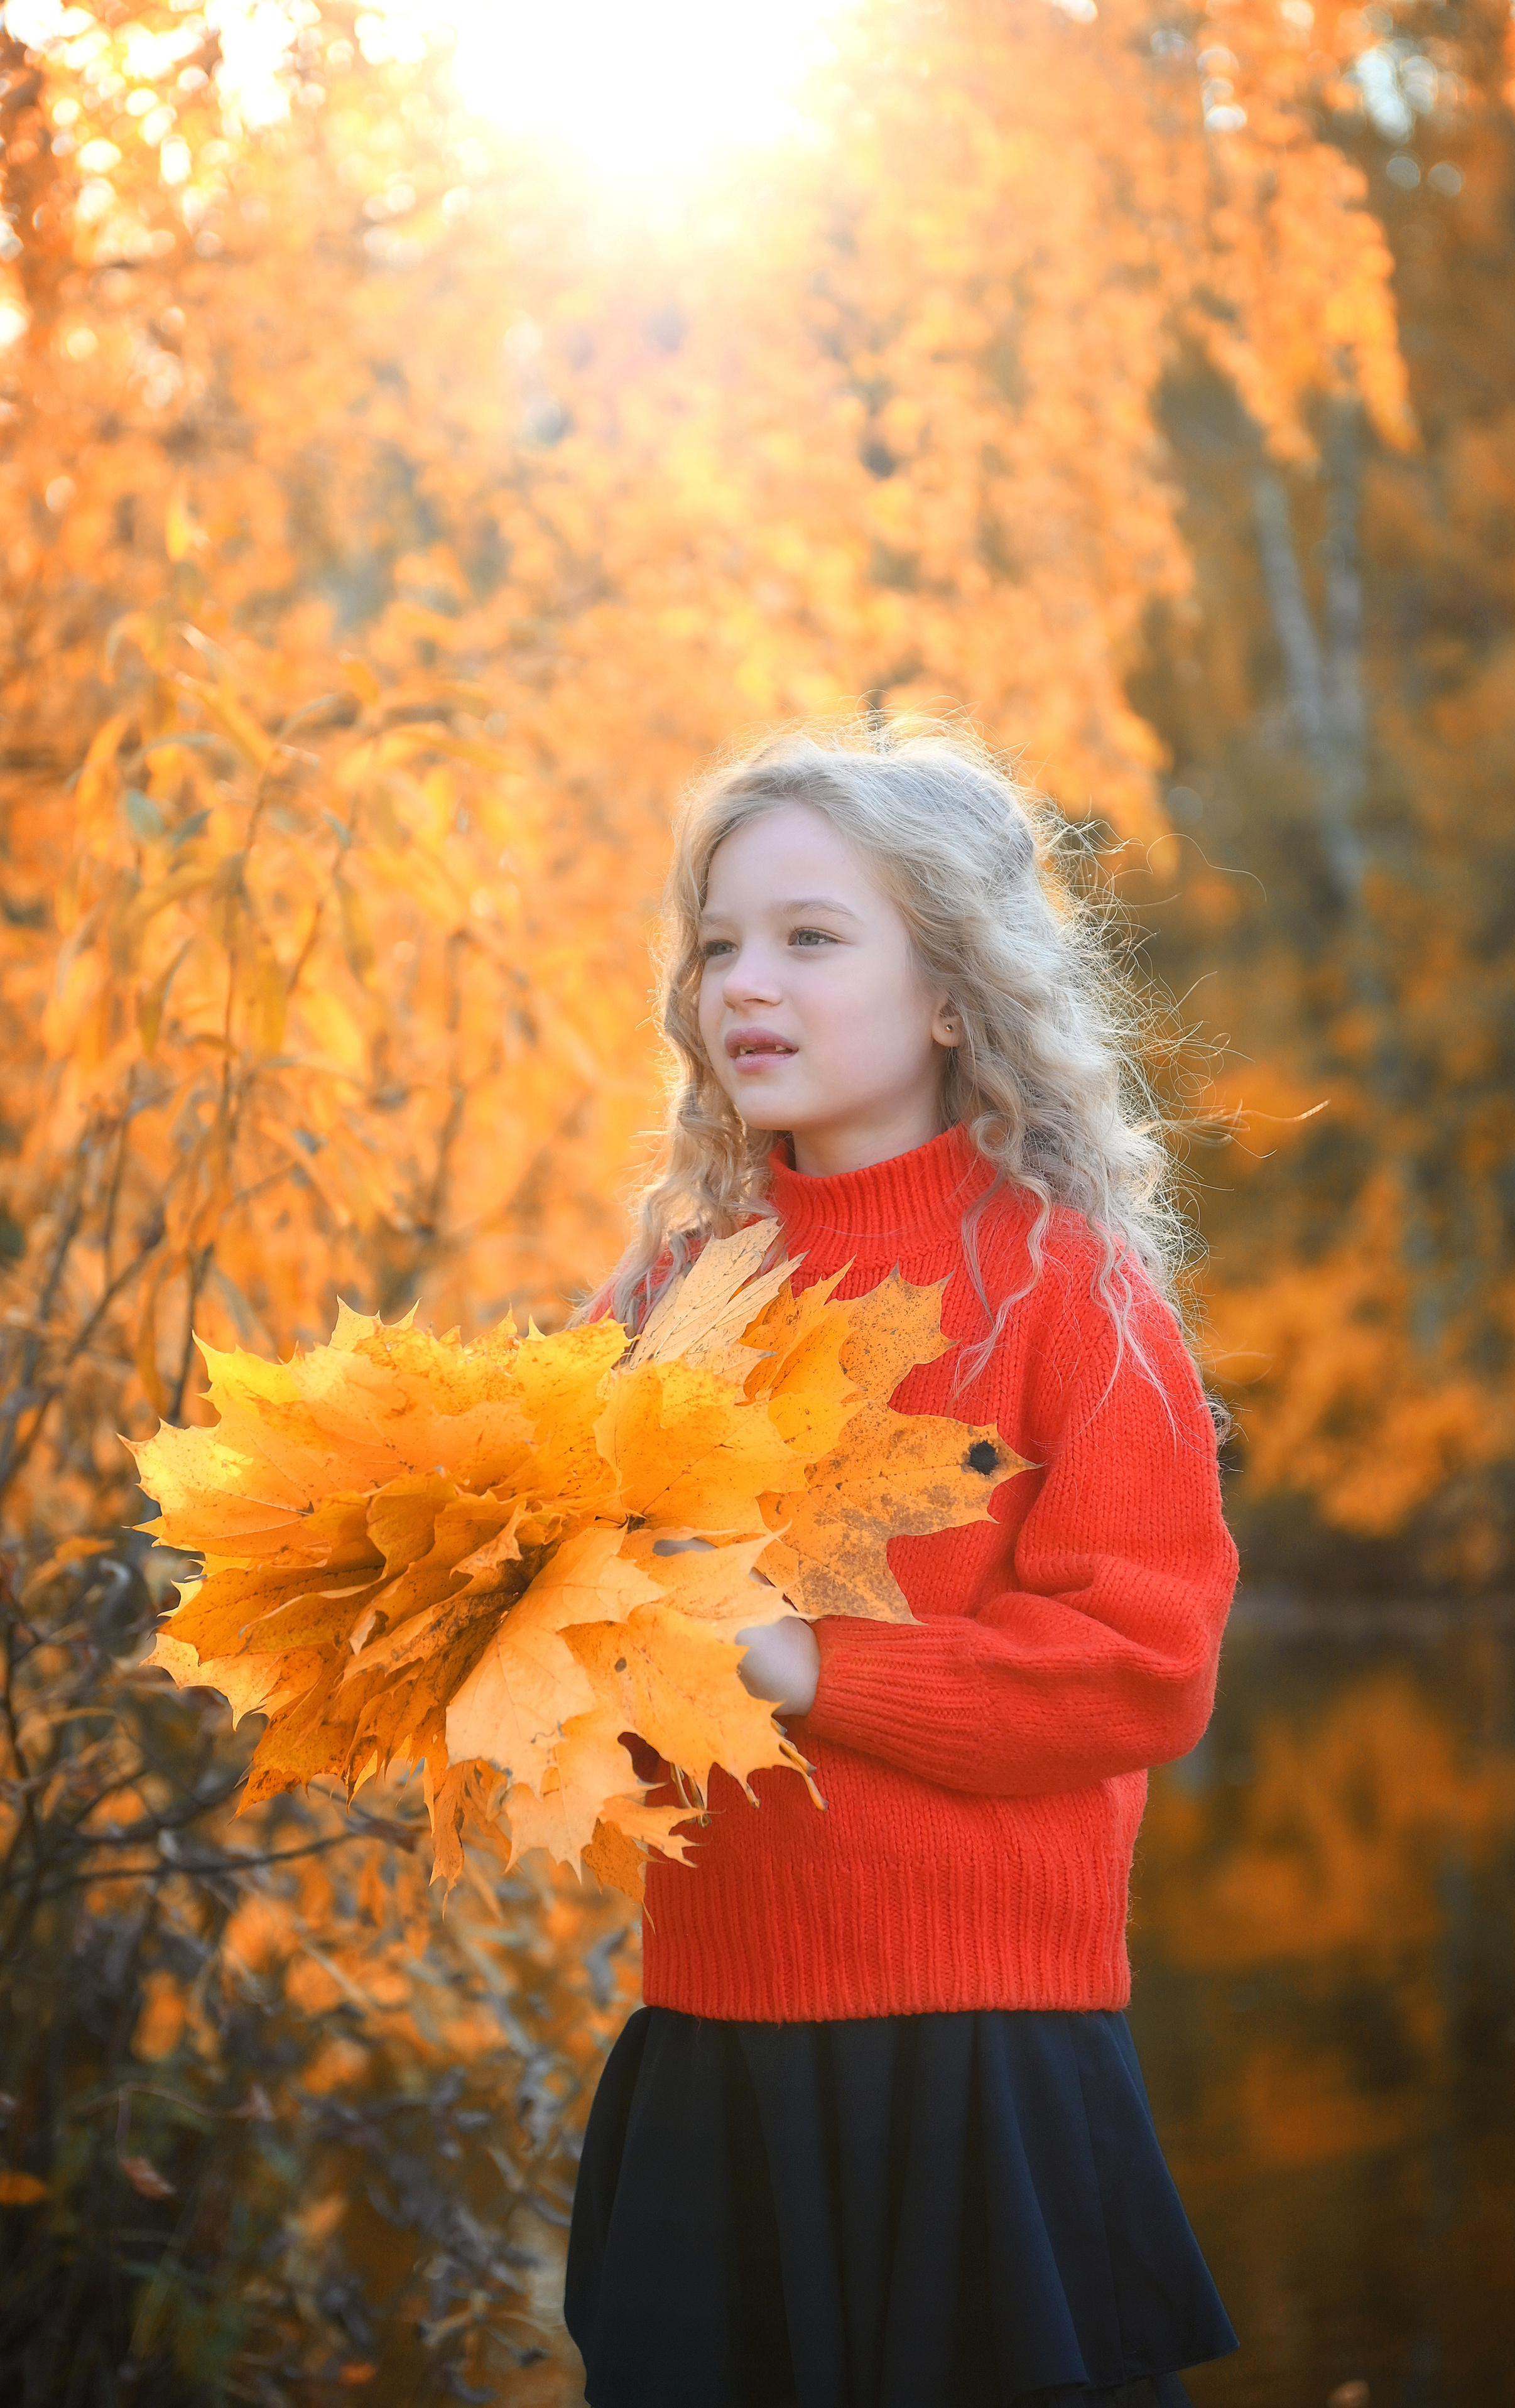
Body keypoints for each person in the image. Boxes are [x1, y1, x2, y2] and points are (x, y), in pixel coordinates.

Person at [563, 720, 1239, 2408]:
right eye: (719, 943)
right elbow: (553, 1603)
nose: (743, 983)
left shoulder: (1067, 1290)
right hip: (720, 2040)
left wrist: (802, 1658)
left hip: (985, 2066)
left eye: (809, 935)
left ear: (952, 991)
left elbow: (1139, 1666)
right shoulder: (666, 1298)